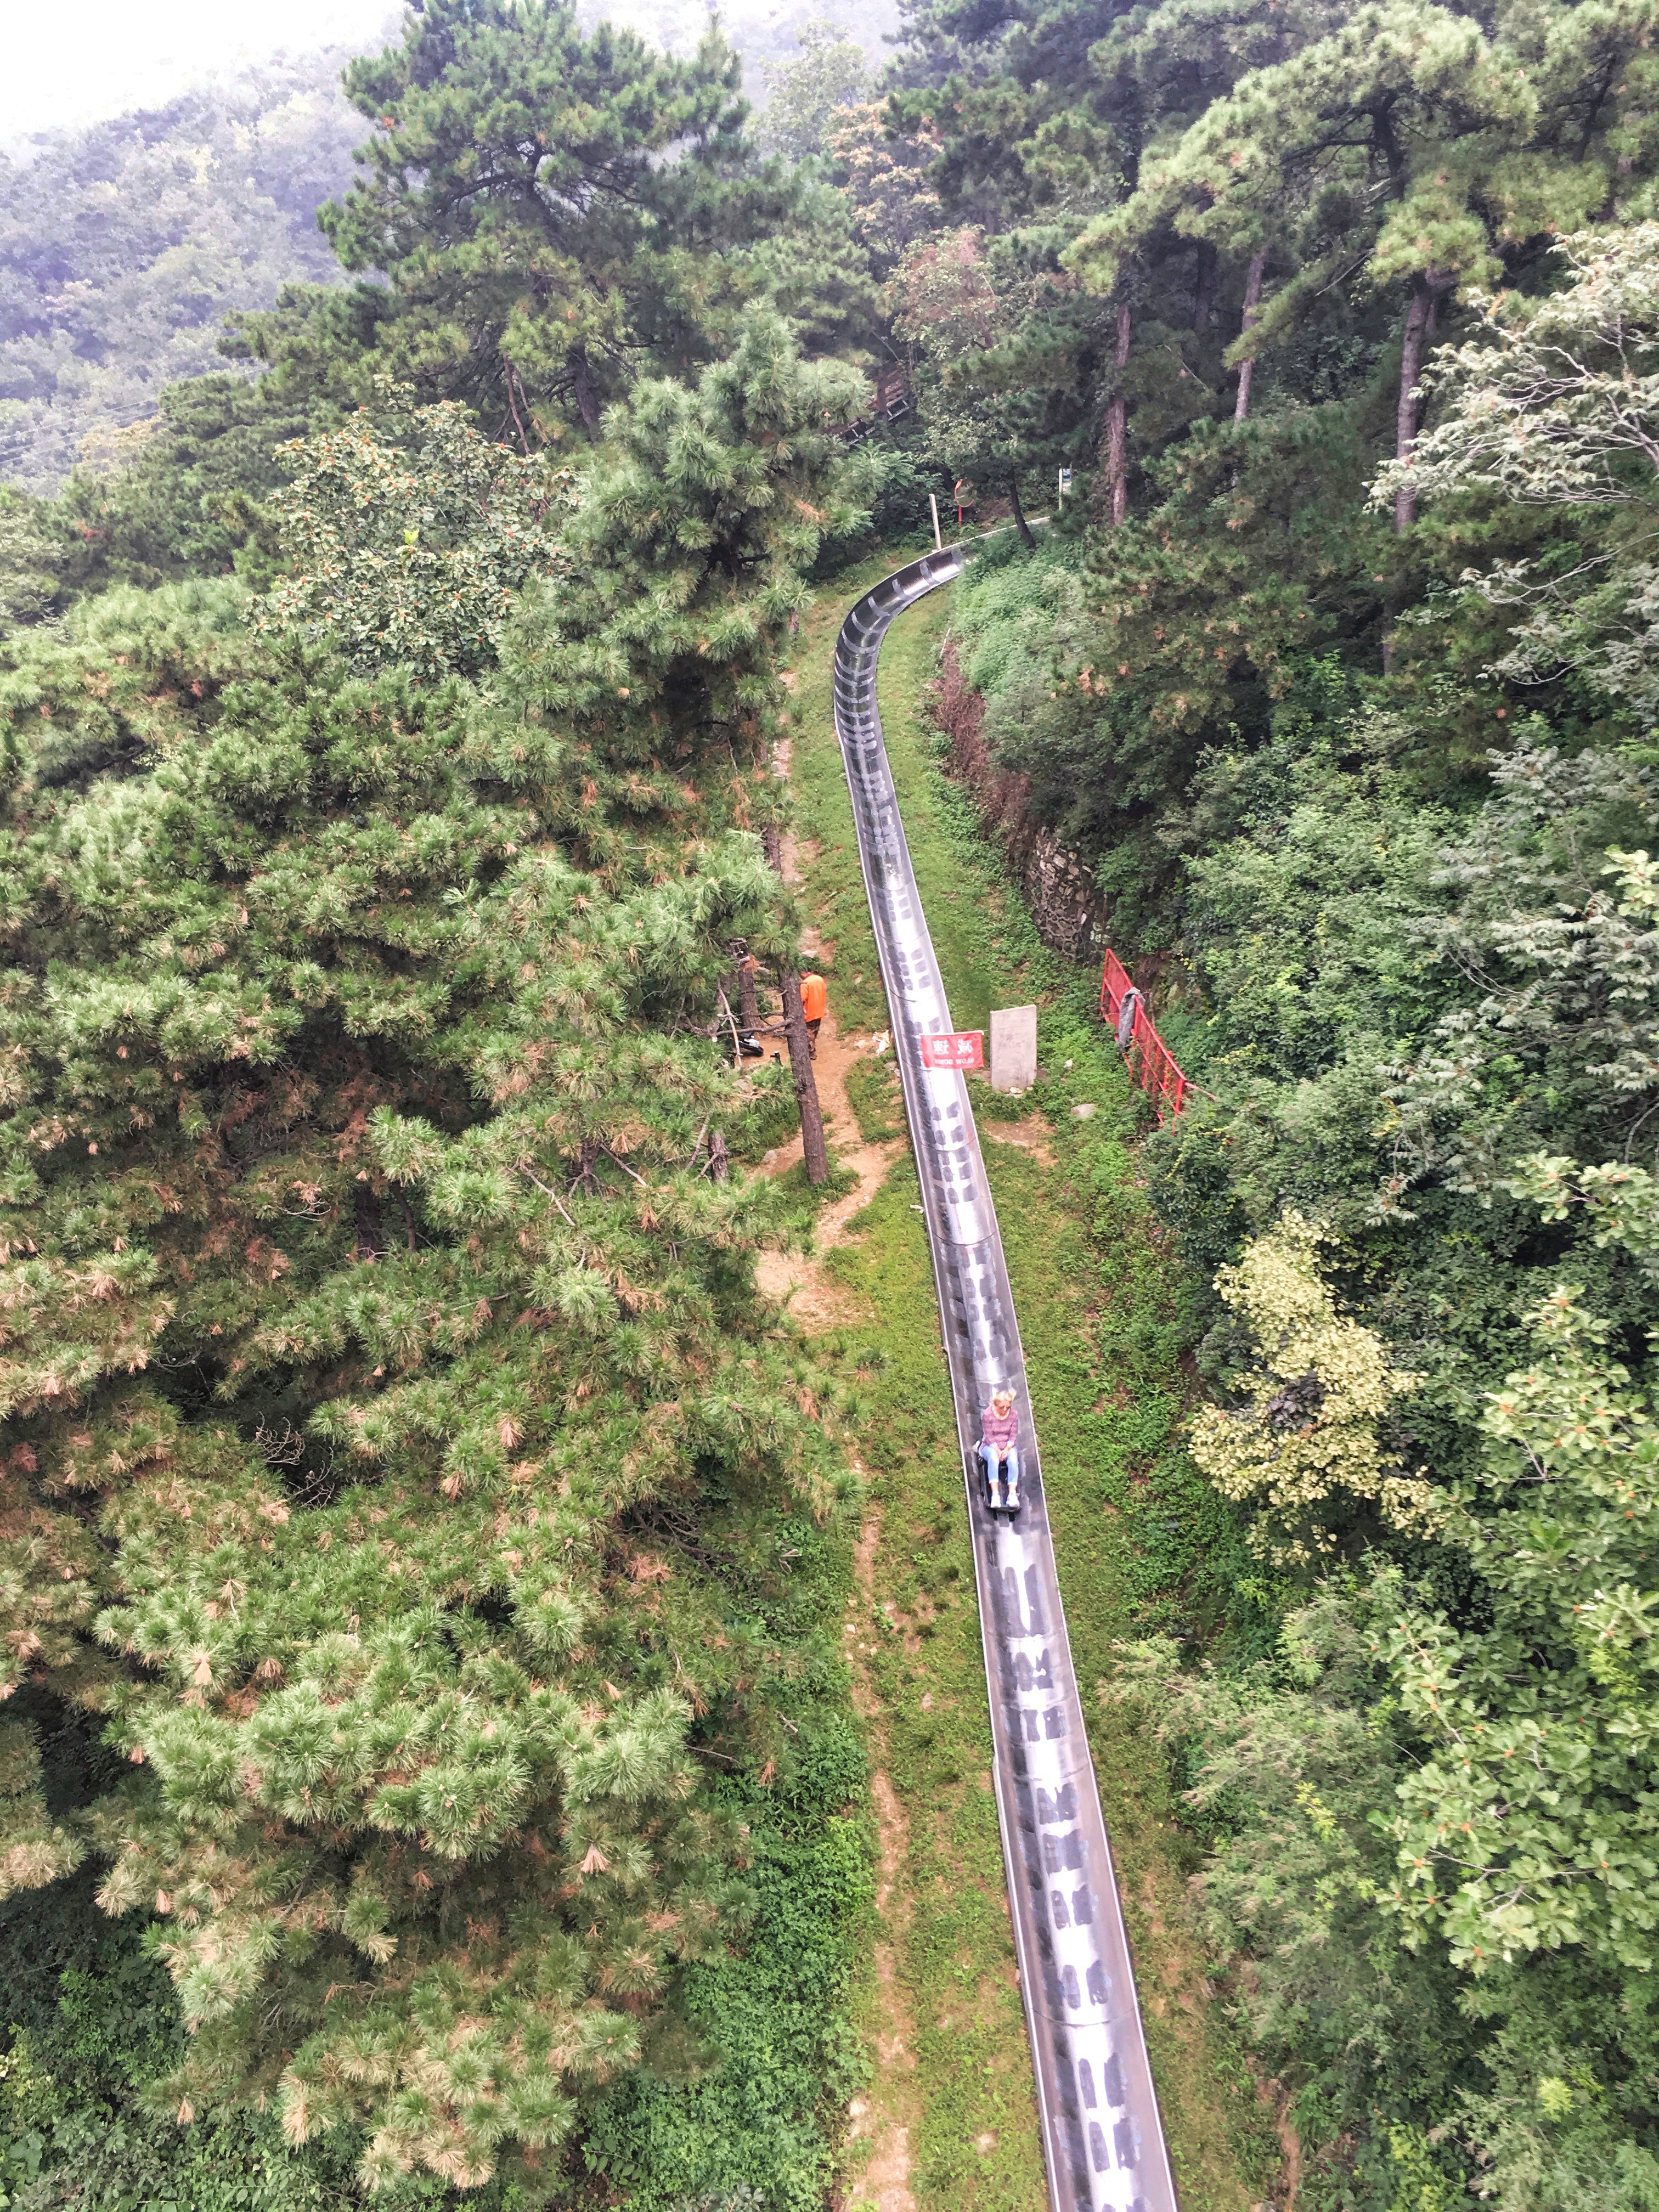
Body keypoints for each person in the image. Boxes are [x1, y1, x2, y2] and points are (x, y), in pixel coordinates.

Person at [978, 1387, 1020, 1511]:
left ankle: (1012, 1495)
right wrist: (998, 1451)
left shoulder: (1014, 1415)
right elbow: (989, 1437)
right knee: (994, 1459)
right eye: (1002, 1407)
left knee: (1013, 1459)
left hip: (1007, 1445)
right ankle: (995, 1494)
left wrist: (1007, 1449)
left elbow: (1013, 1435)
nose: (1005, 1410)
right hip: (990, 1446)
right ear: (996, 1405)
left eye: (1007, 1407)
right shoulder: (987, 1415)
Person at [800, 971, 827, 1058]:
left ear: (805, 973)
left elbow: (802, 999)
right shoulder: (820, 979)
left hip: (809, 1013)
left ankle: (811, 1053)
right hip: (819, 1011)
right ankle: (812, 1048)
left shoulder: (805, 983)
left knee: (809, 1034)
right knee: (815, 1031)